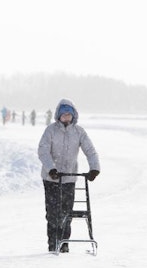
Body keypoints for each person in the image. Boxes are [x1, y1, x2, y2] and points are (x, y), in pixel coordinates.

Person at [37, 99, 100, 253]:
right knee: (52, 212)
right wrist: (51, 168)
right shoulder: (50, 131)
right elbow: (43, 151)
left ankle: (64, 243)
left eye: (69, 115)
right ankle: (53, 242)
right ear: (59, 115)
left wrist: (94, 168)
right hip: (52, 178)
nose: (66, 117)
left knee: (67, 212)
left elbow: (90, 150)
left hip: (69, 179)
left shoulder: (79, 132)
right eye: (64, 114)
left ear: (73, 116)